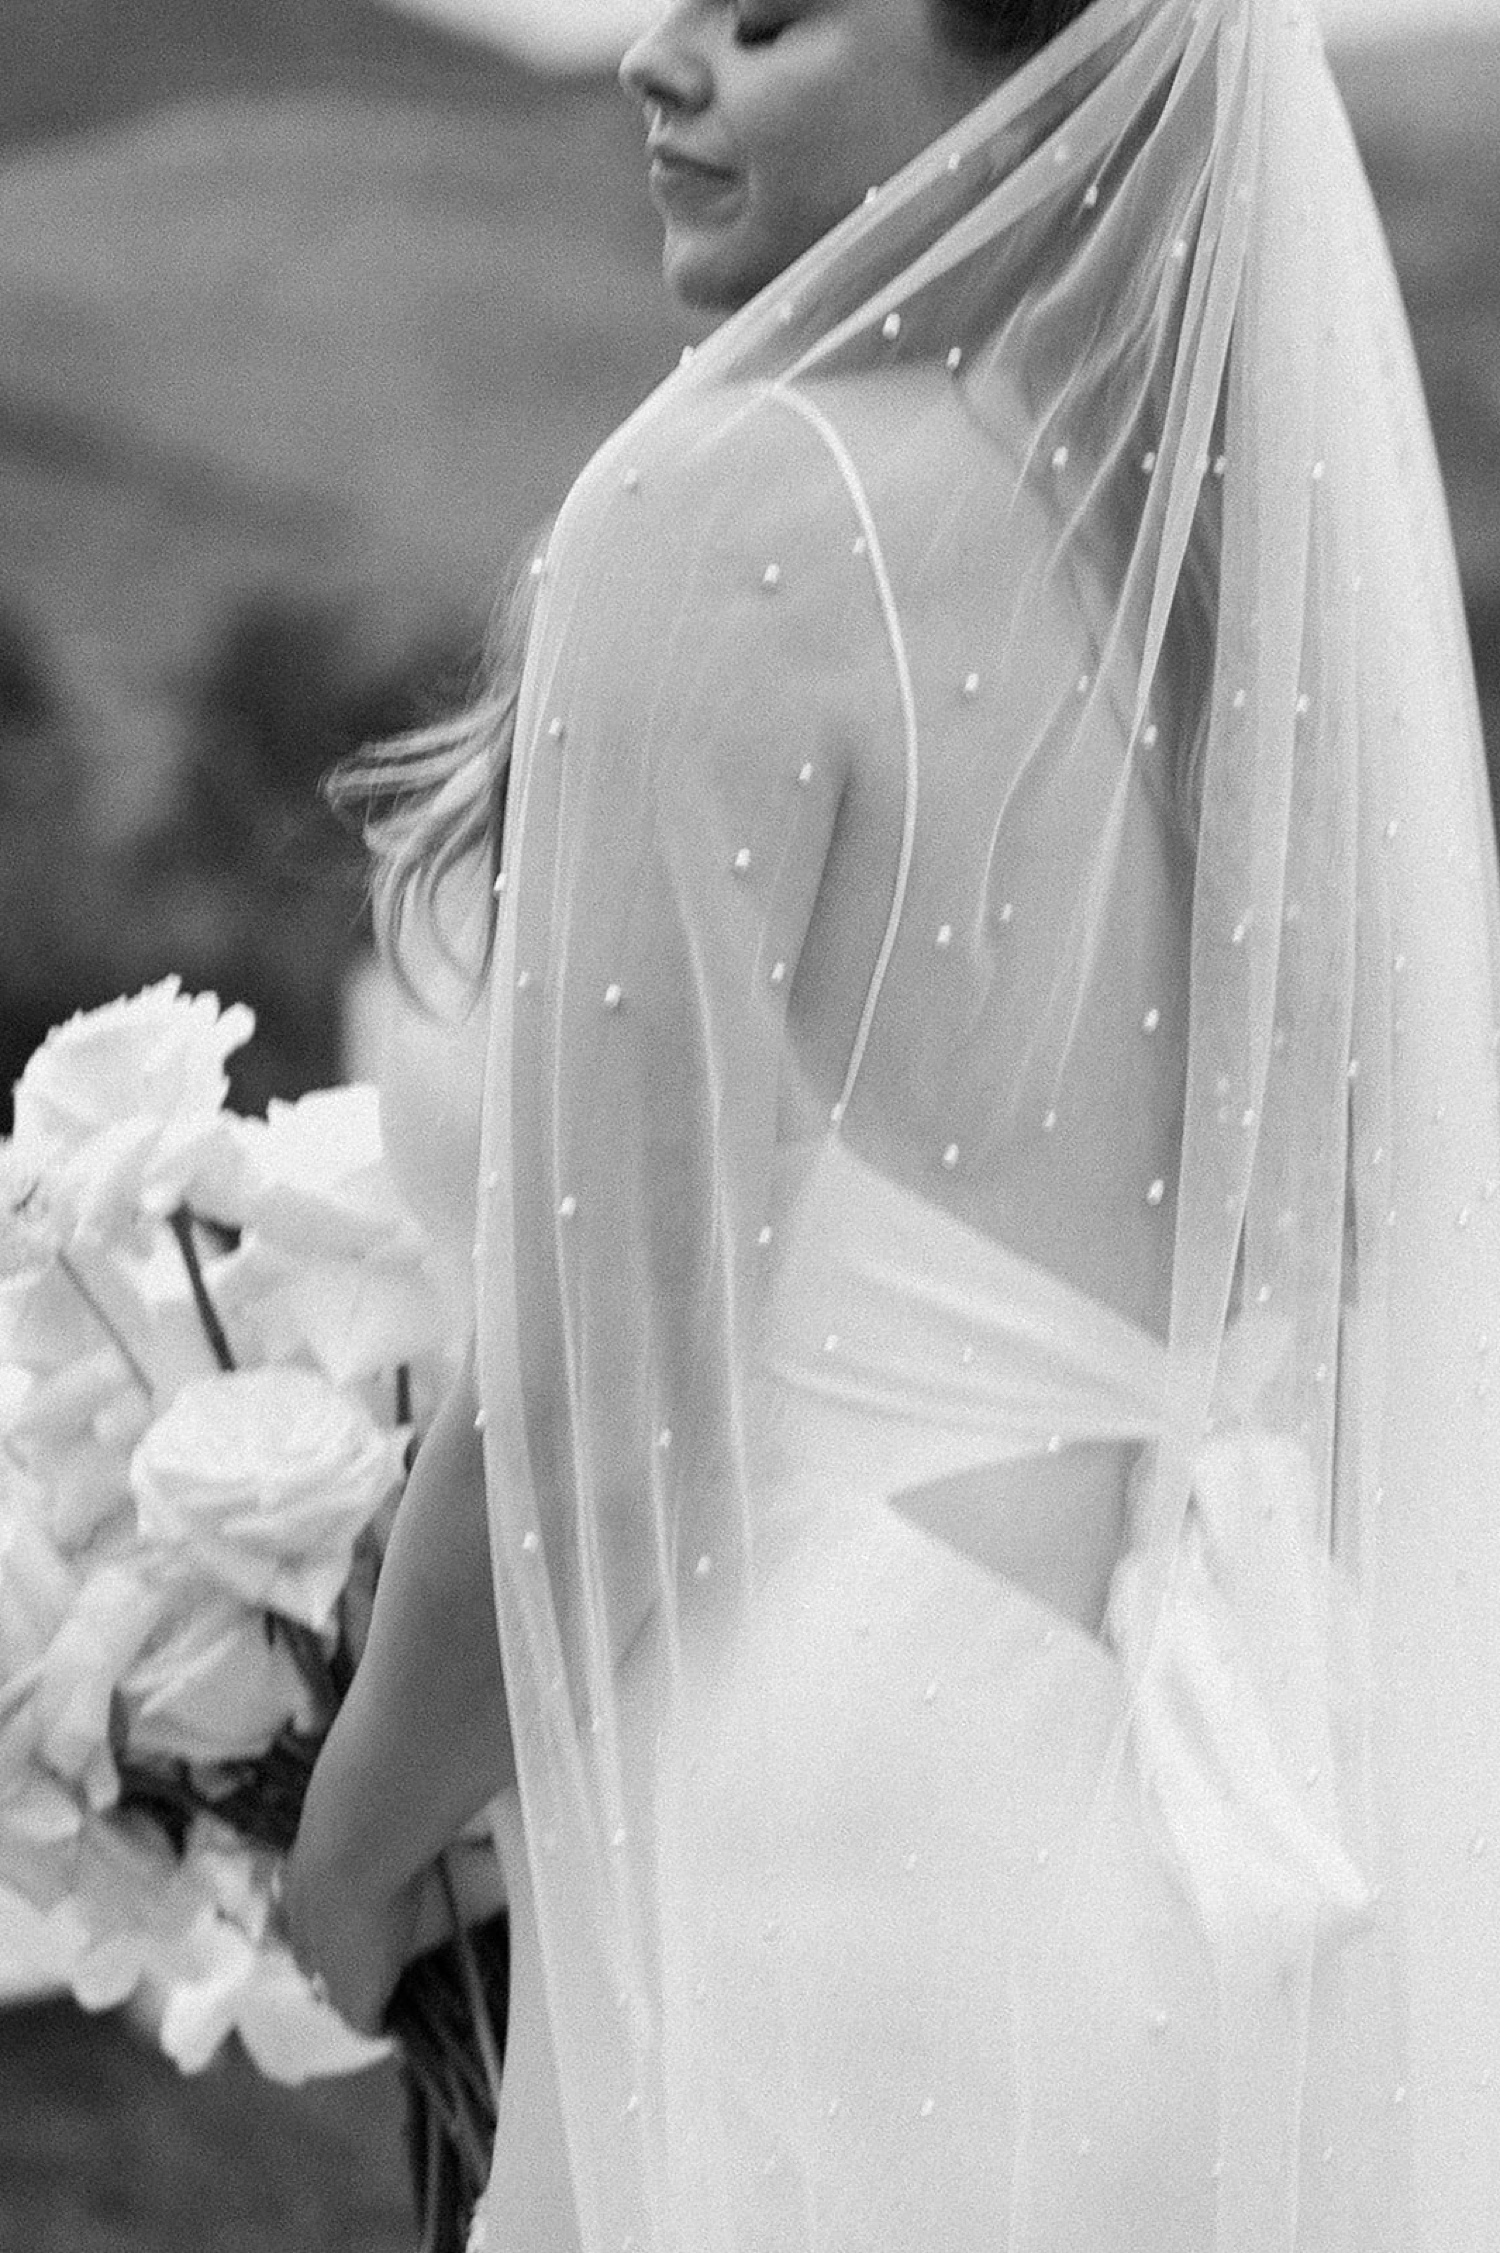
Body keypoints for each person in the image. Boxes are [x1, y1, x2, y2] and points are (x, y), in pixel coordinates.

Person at [287, 1, 1500, 2247]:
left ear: (1021, 80)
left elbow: (596, 1398)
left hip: (820, 1793)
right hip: (1196, 1811)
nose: (659, 63)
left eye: (767, 18)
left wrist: (348, 1843)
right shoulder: (1212, 574)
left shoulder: (725, 498)